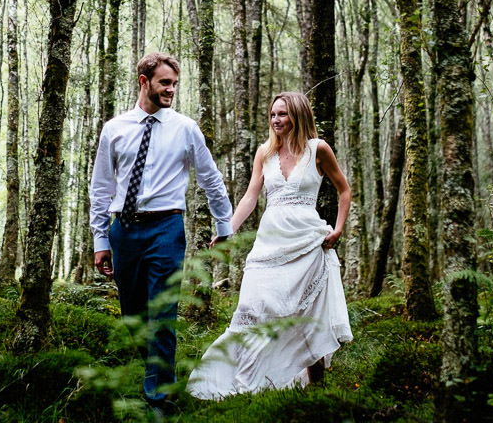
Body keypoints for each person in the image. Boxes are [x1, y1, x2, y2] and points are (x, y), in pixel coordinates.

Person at [89, 52, 234, 414]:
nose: (170, 90)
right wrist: (100, 239)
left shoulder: (185, 128)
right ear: (144, 81)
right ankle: (156, 371)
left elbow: (210, 178)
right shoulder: (115, 129)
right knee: (133, 315)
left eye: (173, 84)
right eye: (164, 83)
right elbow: (101, 188)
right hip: (123, 230)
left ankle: (159, 398)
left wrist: (224, 225)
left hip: (167, 229)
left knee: (162, 313)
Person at [187, 91, 353, 399]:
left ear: (298, 116)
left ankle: (316, 389)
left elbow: (344, 190)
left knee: (309, 312)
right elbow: (251, 196)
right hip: (270, 242)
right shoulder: (265, 153)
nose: (276, 120)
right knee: (253, 308)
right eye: (273, 115)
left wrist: (339, 229)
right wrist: (227, 228)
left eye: (283, 114)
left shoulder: (319, 149)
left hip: (308, 242)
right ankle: (243, 383)